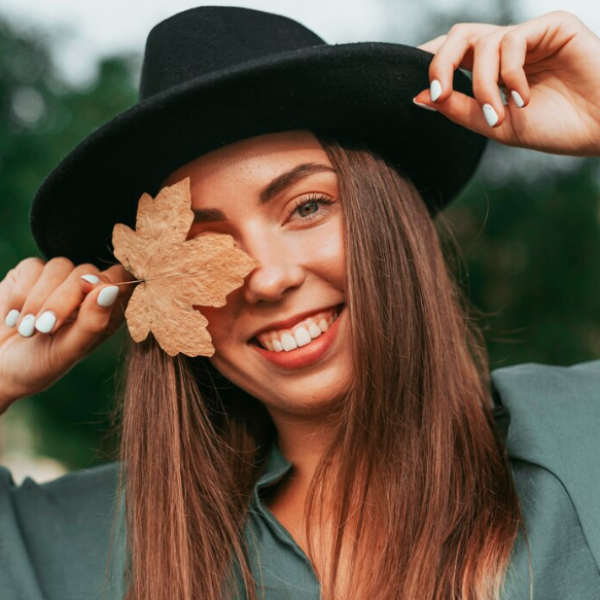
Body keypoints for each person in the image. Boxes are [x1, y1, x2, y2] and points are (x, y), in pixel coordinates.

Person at [0, 6, 599, 600]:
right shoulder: (90, 544)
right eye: (203, 244)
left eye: (308, 206)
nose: (268, 279)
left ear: (388, 216)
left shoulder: (578, 435)